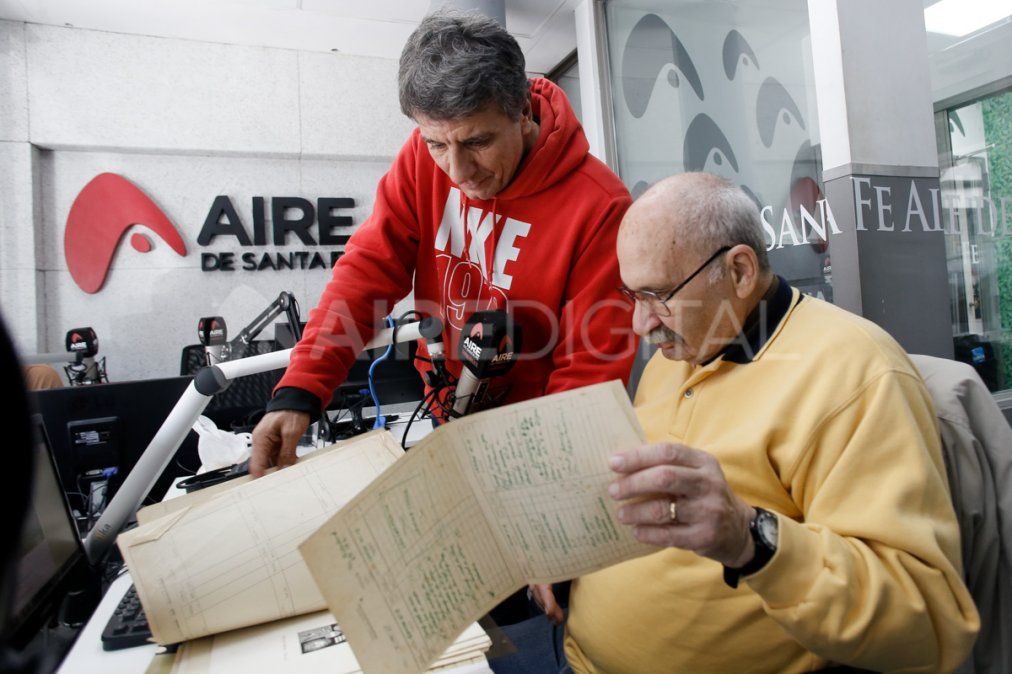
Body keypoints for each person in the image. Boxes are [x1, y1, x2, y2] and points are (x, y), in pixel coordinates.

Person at [506, 173, 979, 674]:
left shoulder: (853, 373)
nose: (641, 325)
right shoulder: (678, 353)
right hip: (573, 649)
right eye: (631, 295)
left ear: (739, 271)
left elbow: (926, 626)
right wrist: (566, 553)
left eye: (657, 295)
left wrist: (751, 538)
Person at [250, 9, 635, 478]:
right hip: (445, 406)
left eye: (478, 142)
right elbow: (367, 272)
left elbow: (589, 370)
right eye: (437, 144)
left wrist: (545, 467)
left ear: (522, 111)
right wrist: (301, 389)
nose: (457, 171)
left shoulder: (601, 206)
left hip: (538, 434)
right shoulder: (420, 157)